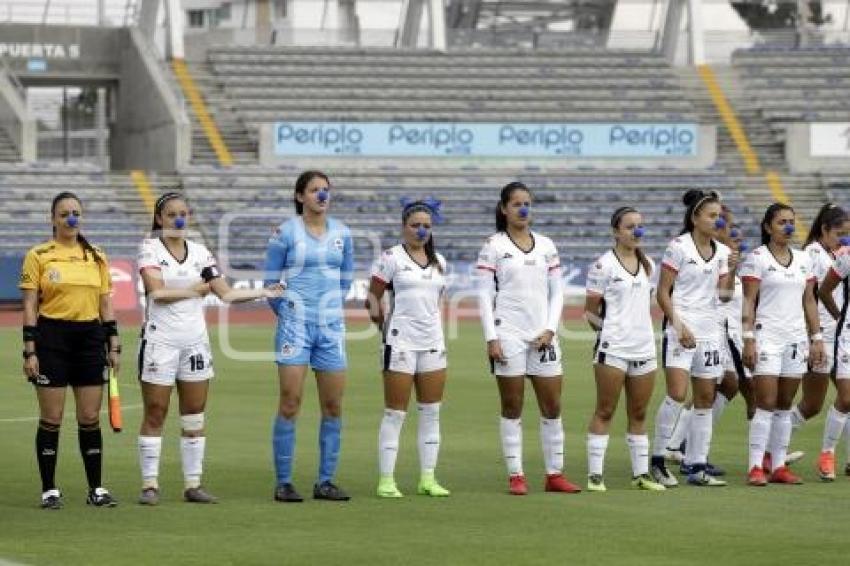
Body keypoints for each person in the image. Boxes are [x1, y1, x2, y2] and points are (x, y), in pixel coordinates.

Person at [136, 192, 282, 505]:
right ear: (160, 219)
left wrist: (265, 291)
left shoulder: (201, 253)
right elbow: (158, 293)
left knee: (194, 415)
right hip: (161, 340)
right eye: (172, 214)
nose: (178, 219)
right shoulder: (150, 248)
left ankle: (193, 484)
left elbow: (226, 294)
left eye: (184, 214)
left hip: (195, 342)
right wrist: (198, 289)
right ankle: (150, 484)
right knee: (156, 412)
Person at [476, 181, 580, 496]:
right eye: (517, 203)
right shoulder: (493, 246)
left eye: (527, 203)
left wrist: (550, 328)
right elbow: (483, 295)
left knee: (552, 405)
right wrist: (491, 338)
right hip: (508, 332)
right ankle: (516, 475)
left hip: (543, 335)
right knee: (512, 405)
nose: (523, 209)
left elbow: (557, 291)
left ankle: (555, 474)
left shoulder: (547, 245)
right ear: (504, 209)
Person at [20, 191, 120, 509]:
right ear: (53, 219)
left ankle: (96, 490)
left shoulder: (97, 256)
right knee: (52, 417)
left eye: (75, 212)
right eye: (64, 214)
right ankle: (49, 490)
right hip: (52, 338)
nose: (71, 218)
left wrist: (113, 343)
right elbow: (30, 304)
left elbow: (106, 303)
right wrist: (29, 350)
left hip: (90, 338)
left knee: (90, 416)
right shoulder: (39, 254)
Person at [264, 170, 354, 502]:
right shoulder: (285, 233)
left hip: (331, 327)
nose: (322, 195)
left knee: (333, 405)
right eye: (315, 190)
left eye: (326, 190)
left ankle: (325, 481)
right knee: (290, 402)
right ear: (300, 196)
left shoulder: (343, 233)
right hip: (295, 326)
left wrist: (329, 308)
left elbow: (345, 280)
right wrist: (289, 312)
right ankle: (284, 481)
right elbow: (271, 283)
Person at [650, 189, 737, 488]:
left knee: (705, 398)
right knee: (676, 393)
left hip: (710, 330)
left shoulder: (723, 252)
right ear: (695, 217)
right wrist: (678, 325)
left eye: (720, 216)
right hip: (681, 327)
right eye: (712, 216)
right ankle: (658, 460)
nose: (717, 221)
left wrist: (732, 267)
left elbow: (723, 297)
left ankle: (697, 465)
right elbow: (662, 292)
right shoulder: (678, 247)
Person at [367, 199, 450, 498]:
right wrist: (384, 329)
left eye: (426, 226)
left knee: (431, 412)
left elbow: (438, 301)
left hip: (432, 343)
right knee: (395, 414)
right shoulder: (390, 258)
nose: (421, 231)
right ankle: (386, 480)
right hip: (400, 342)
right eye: (415, 225)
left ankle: (428, 478)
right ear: (404, 226)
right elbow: (373, 299)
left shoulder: (440, 261)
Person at [741, 203, 825, 486]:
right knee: (765, 401)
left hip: (796, 339)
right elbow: (749, 301)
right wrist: (749, 338)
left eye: (791, 221)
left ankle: (778, 466)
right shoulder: (757, 258)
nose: (788, 227)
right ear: (767, 227)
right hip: (767, 337)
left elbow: (810, 301)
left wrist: (817, 339)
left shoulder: (804, 259)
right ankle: (755, 466)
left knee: (786, 404)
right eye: (781, 222)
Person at [584, 206, 665, 492]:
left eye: (639, 226)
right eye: (630, 227)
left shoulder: (649, 266)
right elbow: (591, 312)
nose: (637, 232)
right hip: (613, 348)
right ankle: (595, 476)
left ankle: (641, 475)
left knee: (639, 413)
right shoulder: (603, 265)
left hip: (644, 347)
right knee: (605, 410)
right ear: (616, 232)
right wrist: (608, 333)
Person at [789, 204, 849, 476]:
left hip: (839, 336)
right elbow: (807, 295)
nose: (844, 239)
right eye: (839, 233)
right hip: (820, 336)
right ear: (824, 230)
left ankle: (839, 459)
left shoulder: (838, 254)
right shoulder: (812, 253)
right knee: (812, 405)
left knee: (847, 398)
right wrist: (812, 336)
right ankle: (771, 447)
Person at [814, 234, 850, 481]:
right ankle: (827, 454)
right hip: (848, 336)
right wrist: (840, 319)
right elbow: (824, 290)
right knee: (846, 398)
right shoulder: (846, 256)